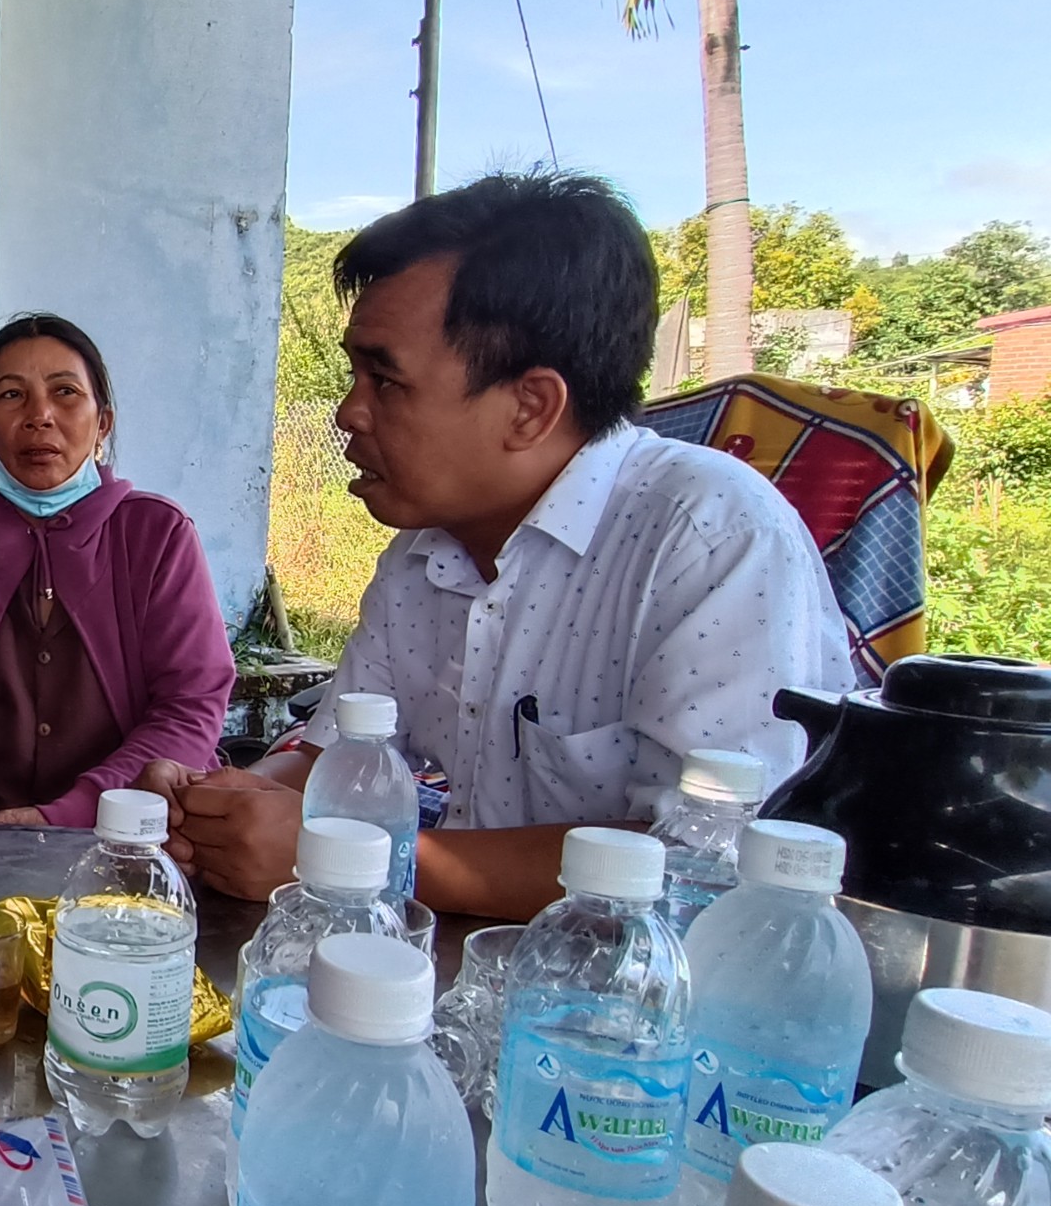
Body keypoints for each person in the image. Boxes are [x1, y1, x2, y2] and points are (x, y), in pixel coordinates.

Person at [139, 171, 853, 920]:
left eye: (385, 381)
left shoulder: (709, 536)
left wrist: (355, 858)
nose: (348, 414)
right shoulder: (422, 557)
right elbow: (330, 754)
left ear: (530, 407)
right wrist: (220, 804)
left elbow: (706, 866)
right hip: (481, 974)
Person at [0, 314, 235, 827]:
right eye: (10, 395)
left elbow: (190, 705)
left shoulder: (158, 533)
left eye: (65, 392)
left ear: (102, 423)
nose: (39, 415)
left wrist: (68, 813)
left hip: (124, 832)